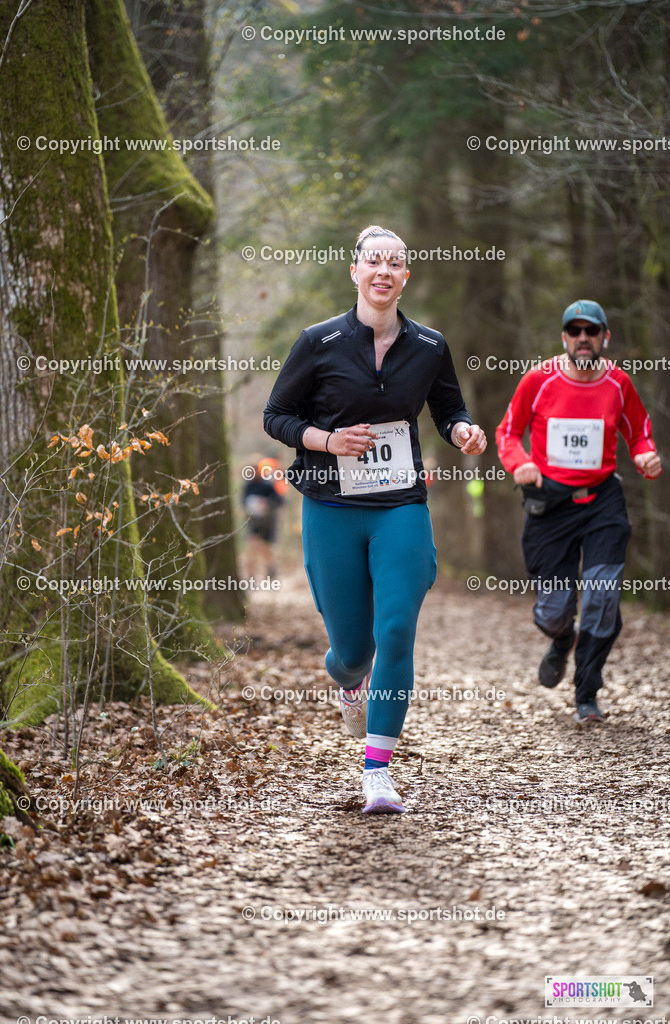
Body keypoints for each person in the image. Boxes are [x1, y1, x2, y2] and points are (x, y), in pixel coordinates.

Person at [263, 224, 486, 813]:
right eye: (374, 262)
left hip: (399, 506)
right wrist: (327, 440)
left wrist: (462, 430)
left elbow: (448, 407)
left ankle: (378, 771)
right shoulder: (319, 342)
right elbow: (276, 415)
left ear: (405, 276)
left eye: (395, 263)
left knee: (395, 632)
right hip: (332, 507)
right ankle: (348, 677)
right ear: (355, 272)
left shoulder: (430, 346)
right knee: (353, 651)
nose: (383, 271)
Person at [496, 300, 661, 724]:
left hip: (603, 497)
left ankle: (587, 691)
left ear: (605, 337)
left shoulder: (618, 384)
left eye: (592, 331)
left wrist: (645, 455)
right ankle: (561, 638)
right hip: (550, 502)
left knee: (602, 595)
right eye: (575, 331)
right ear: (564, 338)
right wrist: (521, 464)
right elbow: (508, 432)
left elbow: (639, 432)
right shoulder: (539, 379)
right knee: (553, 609)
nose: (583, 338)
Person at [242, 457, 286, 580]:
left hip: (268, 522)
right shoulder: (248, 486)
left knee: (267, 549)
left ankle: (271, 573)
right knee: (252, 548)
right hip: (253, 522)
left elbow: (280, 501)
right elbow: (243, 502)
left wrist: (266, 503)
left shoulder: (268, 485)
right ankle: (251, 576)